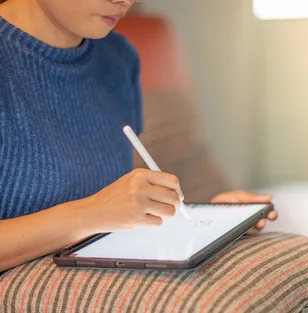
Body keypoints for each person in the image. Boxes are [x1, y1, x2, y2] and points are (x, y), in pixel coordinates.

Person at [0, 0, 277, 273]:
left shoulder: (117, 59)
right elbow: (99, 209)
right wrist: (88, 216)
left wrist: (202, 218)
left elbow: (111, 202)